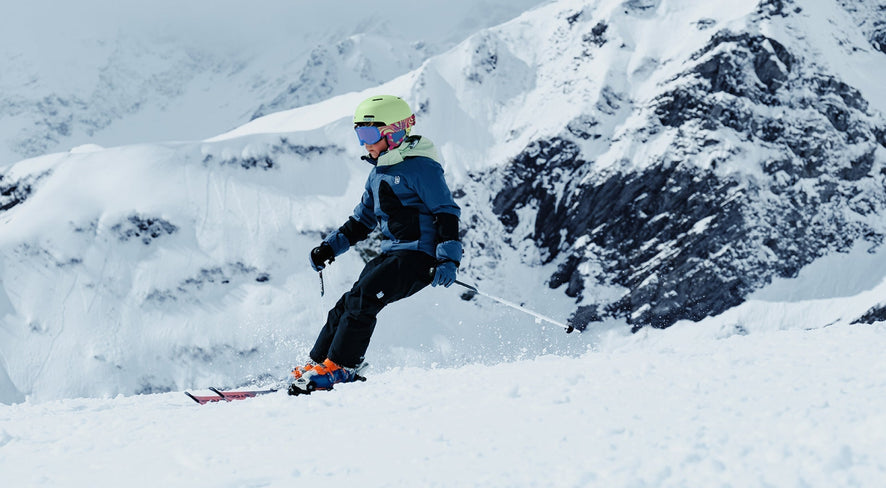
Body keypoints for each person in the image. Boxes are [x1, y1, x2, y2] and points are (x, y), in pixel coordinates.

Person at [289, 95, 462, 394]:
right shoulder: (378, 172)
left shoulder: (421, 167)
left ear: (394, 132)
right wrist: (329, 248)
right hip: (392, 255)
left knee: (363, 301)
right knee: (346, 304)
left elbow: (445, 212)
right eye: (360, 134)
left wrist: (448, 260)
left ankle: (342, 367)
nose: (364, 143)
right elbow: (363, 220)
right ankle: (318, 364)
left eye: (369, 134)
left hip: (418, 258)